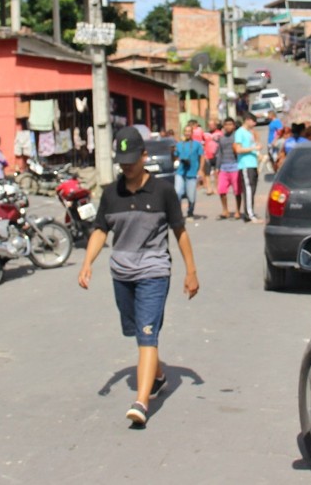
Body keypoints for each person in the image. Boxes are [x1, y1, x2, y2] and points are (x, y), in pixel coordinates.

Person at [77, 126, 199, 427]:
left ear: (145, 156)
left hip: (154, 272)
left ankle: (141, 402)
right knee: (138, 333)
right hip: (121, 274)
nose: (127, 165)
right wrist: (87, 262)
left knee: (147, 335)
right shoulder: (110, 193)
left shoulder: (163, 192)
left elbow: (179, 232)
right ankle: (157, 376)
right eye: (123, 160)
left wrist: (191, 271)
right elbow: (100, 230)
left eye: (132, 159)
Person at [233, 117, 262, 223]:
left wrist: (258, 152)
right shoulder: (239, 132)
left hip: (253, 164)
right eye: (253, 121)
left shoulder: (250, 133)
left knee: (252, 190)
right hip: (245, 164)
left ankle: (250, 212)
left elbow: (253, 146)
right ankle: (249, 215)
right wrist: (254, 149)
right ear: (247, 120)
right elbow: (238, 149)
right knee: (248, 190)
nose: (254, 123)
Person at [174, 124, 203, 218]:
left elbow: (202, 156)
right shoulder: (179, 144)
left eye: (189, 131)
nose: (187, 133)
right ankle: (178, 212)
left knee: (191, 196)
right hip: (180, 172)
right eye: (185, 131)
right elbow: (175, 156)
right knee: (178, 192)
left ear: (192, 133)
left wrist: (201, 169)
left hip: (192, 172)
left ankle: (190, 211)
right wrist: (173, 153)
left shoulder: (197, 144)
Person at [214, 118, 241, 219]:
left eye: (230, 124)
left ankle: (238, 210)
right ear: (223, 126)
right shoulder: (221, 138)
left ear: (234, 126)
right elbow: (219, 153)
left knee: (237, 191)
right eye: (226, 124)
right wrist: (217, 167)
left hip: (235, 167)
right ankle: (225, 210)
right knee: (221, 190)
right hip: (224, 167)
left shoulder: (237, 137)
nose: (228, 126)